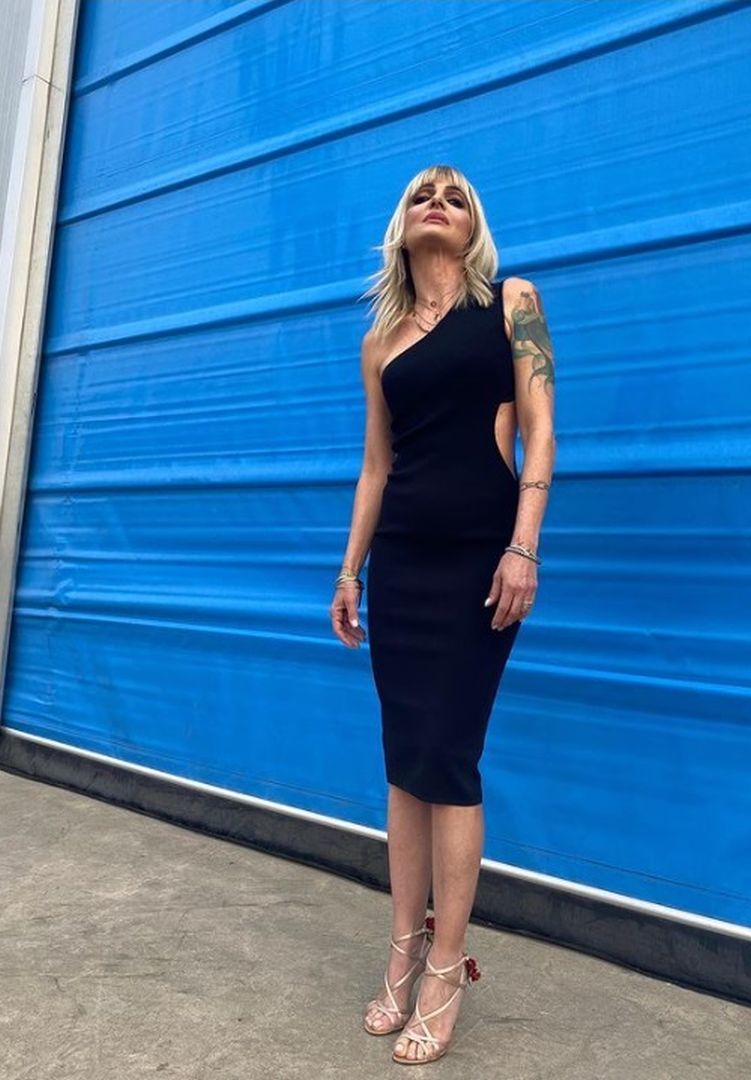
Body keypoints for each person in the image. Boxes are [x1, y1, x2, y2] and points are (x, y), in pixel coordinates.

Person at [329, 164, 556, 1064]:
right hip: (402, 566)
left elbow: (538, 429)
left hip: (477, 564)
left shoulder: (510, 303)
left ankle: (446, 965)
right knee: (404, 762)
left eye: (455, 197)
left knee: (449, 759)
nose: (437, 202)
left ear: (472, 226)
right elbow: (376, 466)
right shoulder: (379, 341)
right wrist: (350, 571)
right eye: (423, 193)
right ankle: (402, 949)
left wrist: (522, 545)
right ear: (402, 222)